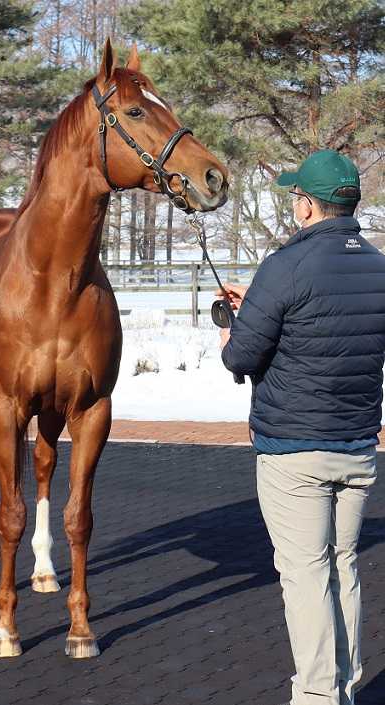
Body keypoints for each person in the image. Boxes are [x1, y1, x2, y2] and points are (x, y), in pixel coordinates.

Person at [217, 149, 385, 705]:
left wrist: (232, 330)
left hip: (294, 454)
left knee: (306, 576)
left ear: (308, 206)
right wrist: (263, 305)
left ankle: (316, 696)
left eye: (296, 197)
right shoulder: (379, 266)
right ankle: (343, 687)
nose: (294, 205)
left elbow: (242, 357)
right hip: (357, 449)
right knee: (342, 568)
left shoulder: (285, 266)